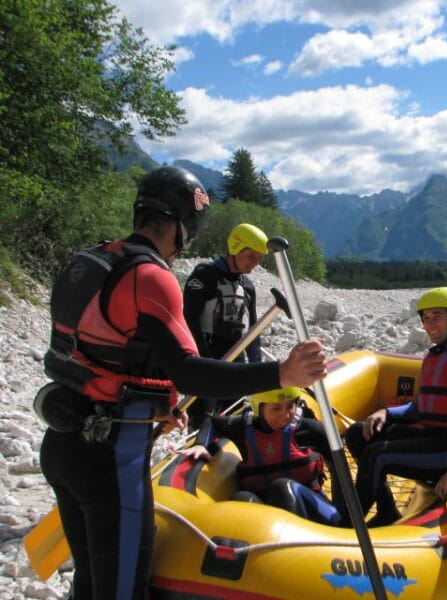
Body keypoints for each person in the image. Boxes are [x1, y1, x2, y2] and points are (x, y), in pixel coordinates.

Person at [36, 165, 327, 600]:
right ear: (181, 225)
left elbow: (106, 354)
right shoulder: (150, 276)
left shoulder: (90, 261)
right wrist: (281, 374)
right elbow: (189, 371)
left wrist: (156, 400)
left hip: (62, 443)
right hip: (111, 458)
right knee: (122, 589)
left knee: (91, 581)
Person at [344, 287, 447, 527]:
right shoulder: (440, 354)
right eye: (426, 318)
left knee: (377, 455)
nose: (430, 325)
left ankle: (349, 528)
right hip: (432, 437)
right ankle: (387, 511)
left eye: (437, 316)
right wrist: (386, 413)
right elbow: (423, 407)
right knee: (358, 433)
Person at [179, 387, 342, 526]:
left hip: (314, 513)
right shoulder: (243, 428)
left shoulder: (308, 429)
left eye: (290, 406)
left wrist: (343, 515)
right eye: (276, 408)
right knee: (241, 499)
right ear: (259, 408)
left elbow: (339, 471)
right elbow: (212, 422)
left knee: (283, 488)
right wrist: (201, 444)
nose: (285, 415)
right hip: (267, 517)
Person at [183, 223, 267, 427]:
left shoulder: (247, 287)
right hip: (205, 361)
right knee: (203, 422)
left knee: (235, 420)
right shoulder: (203, 277)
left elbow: (253, 329)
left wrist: (256, 368)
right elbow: (189, 319)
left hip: (235, 363)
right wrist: (204, 361)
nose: (255, 263)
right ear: (235, 248)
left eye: (258, 258)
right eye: (251, 256)